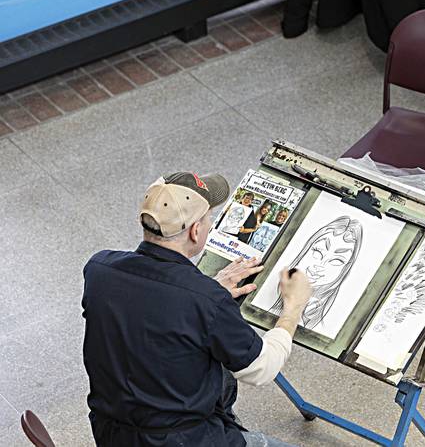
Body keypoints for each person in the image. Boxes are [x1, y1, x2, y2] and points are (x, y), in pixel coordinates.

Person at [82, 172, 312, 446]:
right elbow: (262, 368)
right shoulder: (204, 300)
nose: (209, 223)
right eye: (208, 218)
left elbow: (151, 307)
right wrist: (293, 307)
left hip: (113, 435)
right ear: (195, 230)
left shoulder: (99, 269)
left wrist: (206, 292)